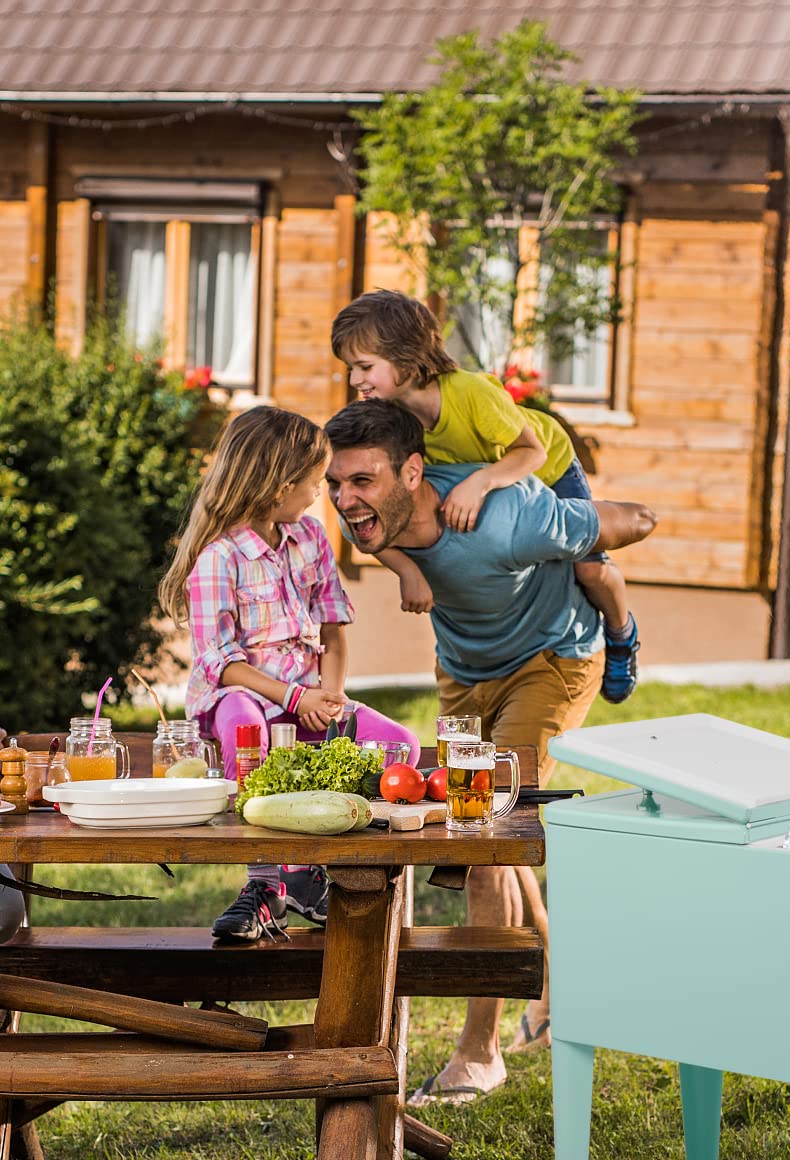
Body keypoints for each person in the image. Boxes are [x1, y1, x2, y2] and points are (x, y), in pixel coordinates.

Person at [321, 399, 658, 1102]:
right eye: (336, 483)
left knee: (479, 828)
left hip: (552, 660)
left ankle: (480, 1051)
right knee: (488, 825)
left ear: (413, 471)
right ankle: (563, 984)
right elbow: (375, 537)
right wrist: (402, 566)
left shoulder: (505, 518)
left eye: (363, 482)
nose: (347, 501)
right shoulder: (372, 525)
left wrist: (594, 561)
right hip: (466, 675)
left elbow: (637, 519)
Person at [159, 407, 420, 943]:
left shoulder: (308, 538)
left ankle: (316, 866)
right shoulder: (220, 558)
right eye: (315, 481)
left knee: (399, 747)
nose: (323, 493)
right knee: (244, 725)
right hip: (243, 696)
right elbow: (221, 661)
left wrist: (331, 695)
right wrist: (292, 694)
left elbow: (332, 629)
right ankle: (268, 882)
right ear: (280, 488)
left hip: (305, 696)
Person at [329, 290, 642, 704]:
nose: (355, 380)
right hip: (494, 496)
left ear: (405, 356)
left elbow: (533, 451)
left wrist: (479, 484)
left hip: (544, 469)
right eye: (351, 368)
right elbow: (379, 522)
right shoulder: (395, 420)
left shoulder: (469, 393)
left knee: (588, 570)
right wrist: (407, 569)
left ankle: (622, 635)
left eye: (365, 366)